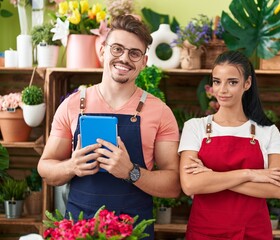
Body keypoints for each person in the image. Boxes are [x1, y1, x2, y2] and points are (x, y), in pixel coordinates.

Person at [37, 15, 181, 238]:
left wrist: (131, 172)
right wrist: (72, 166)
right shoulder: (73, 105)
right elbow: (45, 168)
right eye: (117, 49)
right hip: (79, 229)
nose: (124, 58)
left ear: (144, 62)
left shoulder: (160, 112)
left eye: (134, 53)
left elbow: (173, 184)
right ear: (103, 51)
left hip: (135, 230)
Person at [178, 50, 280, 239]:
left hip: (252, 233)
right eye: (216, 81)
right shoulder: (194, 127)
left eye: (232, 82)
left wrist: (211, 177)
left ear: (247, 84)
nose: (222, 90)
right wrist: (250, 174)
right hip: (204, 233)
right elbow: (190, 185)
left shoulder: (268, 131)